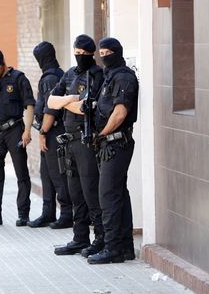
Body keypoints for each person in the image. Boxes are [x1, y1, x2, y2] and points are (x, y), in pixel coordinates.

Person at [47, 35, 105, 257]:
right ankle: (79, 238)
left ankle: (100, 238)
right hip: (69, 139)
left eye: (83, 53)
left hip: (86, 140)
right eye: (76, 52)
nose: (79, 56)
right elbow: (52, 101)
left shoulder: (97, 75)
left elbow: (84, 108)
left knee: (91, 191)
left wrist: (67, 102)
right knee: (75, 192)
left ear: (91, 54)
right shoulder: (70, 74)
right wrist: (70, 99)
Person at [87, 37, 138, 264]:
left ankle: (112, 248)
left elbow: (119, 114)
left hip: (116, 142)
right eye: (102, 52)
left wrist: (102, 134)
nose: (104, 56)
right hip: (108, 143)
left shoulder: (125, 77)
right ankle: (125, 247)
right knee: (118, 194)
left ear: (117, 52)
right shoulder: (109, 76)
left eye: (108, 52)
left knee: (107, 196)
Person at [0, 48, 36, 227]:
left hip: (14, 130)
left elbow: (30, 105)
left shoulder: (18, 79)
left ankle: (23, 214)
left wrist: (27, 130)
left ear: (3, 62)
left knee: (21, 173)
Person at [27, 41, 73, 229]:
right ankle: (48, 213)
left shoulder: (50, 79)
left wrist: (43, 132)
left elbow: (51, 109)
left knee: (57, 174)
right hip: (51, 130)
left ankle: (66, 214)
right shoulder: (57, 75)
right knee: (46, 173)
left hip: (53, 131)